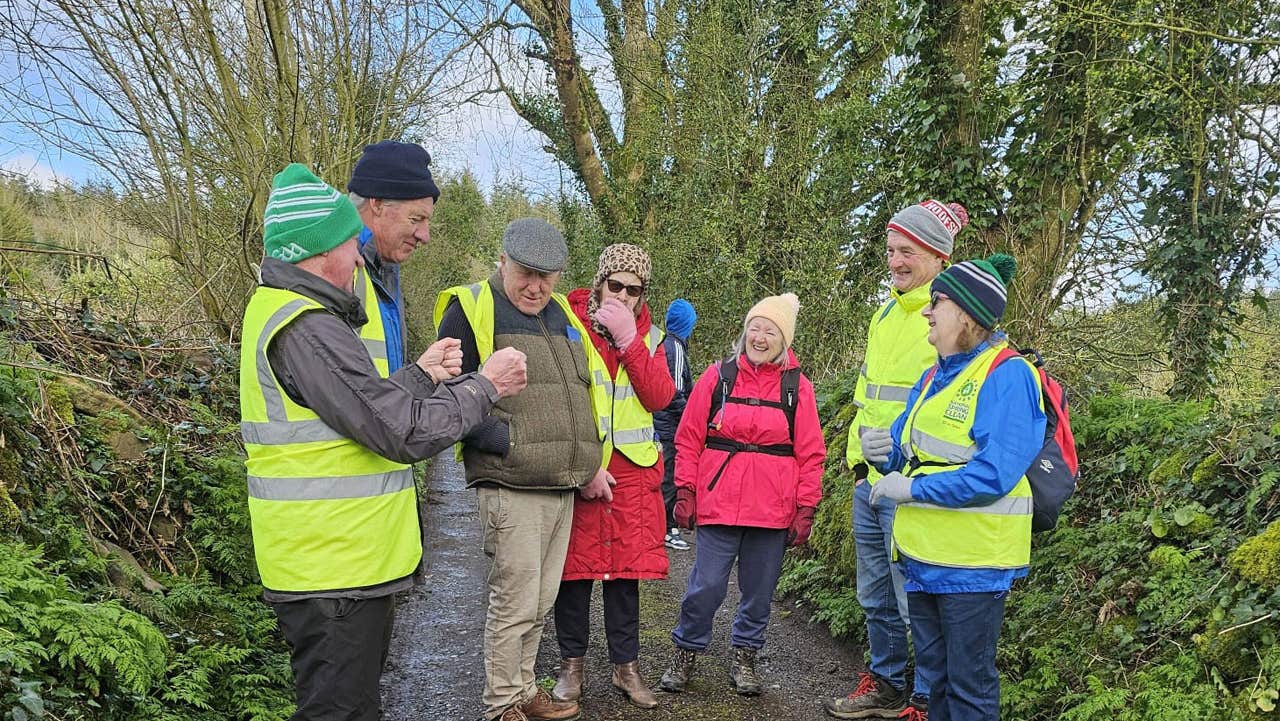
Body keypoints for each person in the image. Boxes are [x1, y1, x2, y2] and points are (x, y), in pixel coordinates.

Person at [240, 164, 528, 721]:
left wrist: (419, 375)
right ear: (323, 251)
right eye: (352, 244)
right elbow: (401, 430)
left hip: (334, 567)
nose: (358, 258)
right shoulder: (308, 326)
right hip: (333, 571)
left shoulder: (293, 314)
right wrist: (485, 386)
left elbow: (356, 412)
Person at [434, 218, 615, 721]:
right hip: (511, 483)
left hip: (562, 483)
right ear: (503, 262)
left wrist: (590, 464)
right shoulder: (471, 308)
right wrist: (505, 442)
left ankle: (522, 692)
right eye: (526, 273)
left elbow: (581, 393)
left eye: (547, 276)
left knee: (539, 603)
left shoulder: (560, 314)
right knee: (513, 603)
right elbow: (447, 397)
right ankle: (499, 706)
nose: (536, 286)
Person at [865, 254, 1045, 721]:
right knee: (936, 682)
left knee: (968, 687)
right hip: (924, 558)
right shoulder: (934, 374)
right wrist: (881, 454)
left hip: (973, 566)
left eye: (937, 303)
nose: (927, 310)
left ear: (965, 314)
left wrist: (913, 490)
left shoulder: (1008, 375)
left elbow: (993, 475)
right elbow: (910, 455)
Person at [826, 199, 969, 720]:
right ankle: (885, 683)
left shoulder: (949, 314)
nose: (895, 261)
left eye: (907, 251)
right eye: (890, 250)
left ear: (936, 256)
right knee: (875, 594)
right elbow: (870, 395)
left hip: (914, 484)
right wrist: (854, 461)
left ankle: (928, 700)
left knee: (917, 599)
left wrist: (911, 471)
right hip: (869, 479)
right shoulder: (885, 312)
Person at [658, 293, 827, 697]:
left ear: (784, 339)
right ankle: (685, 652)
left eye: (771, 330)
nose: (760, 336)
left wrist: (806, 507)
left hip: (772, 508)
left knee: (759, 592)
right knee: (707, 585)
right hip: (720, 501)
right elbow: (689, 436)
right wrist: (685, 488)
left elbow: (811, 452)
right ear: (744, 331)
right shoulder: (718, 377)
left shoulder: (796, 387)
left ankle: (746, 657)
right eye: (755, 327)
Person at [551, 244, 675, 709]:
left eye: (634, 289)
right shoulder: (568, 323)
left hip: (632, 474)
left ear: (644, 295)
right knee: (575, 573)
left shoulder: (653, 338)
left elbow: (660, 396)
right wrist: (582, 464)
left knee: (625, 577)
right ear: (600, 281)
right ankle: (571, 668)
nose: (623, 295)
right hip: (581, 467)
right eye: (616, 285)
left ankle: (627, 670)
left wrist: (629, 343)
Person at [347, 139, 441, 372]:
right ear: (377, 204)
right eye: (416, 219)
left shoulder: (382, 268)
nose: (425, 236)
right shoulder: (334, 269)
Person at [653, 298, 697, 551]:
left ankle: (662, 528)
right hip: (669, 426)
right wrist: (693, 418)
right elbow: (675, 392)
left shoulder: (662, 344)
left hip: (660, 424)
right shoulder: (675, 348)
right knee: (669, 478)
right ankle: (668, 529)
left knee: (663, 476)